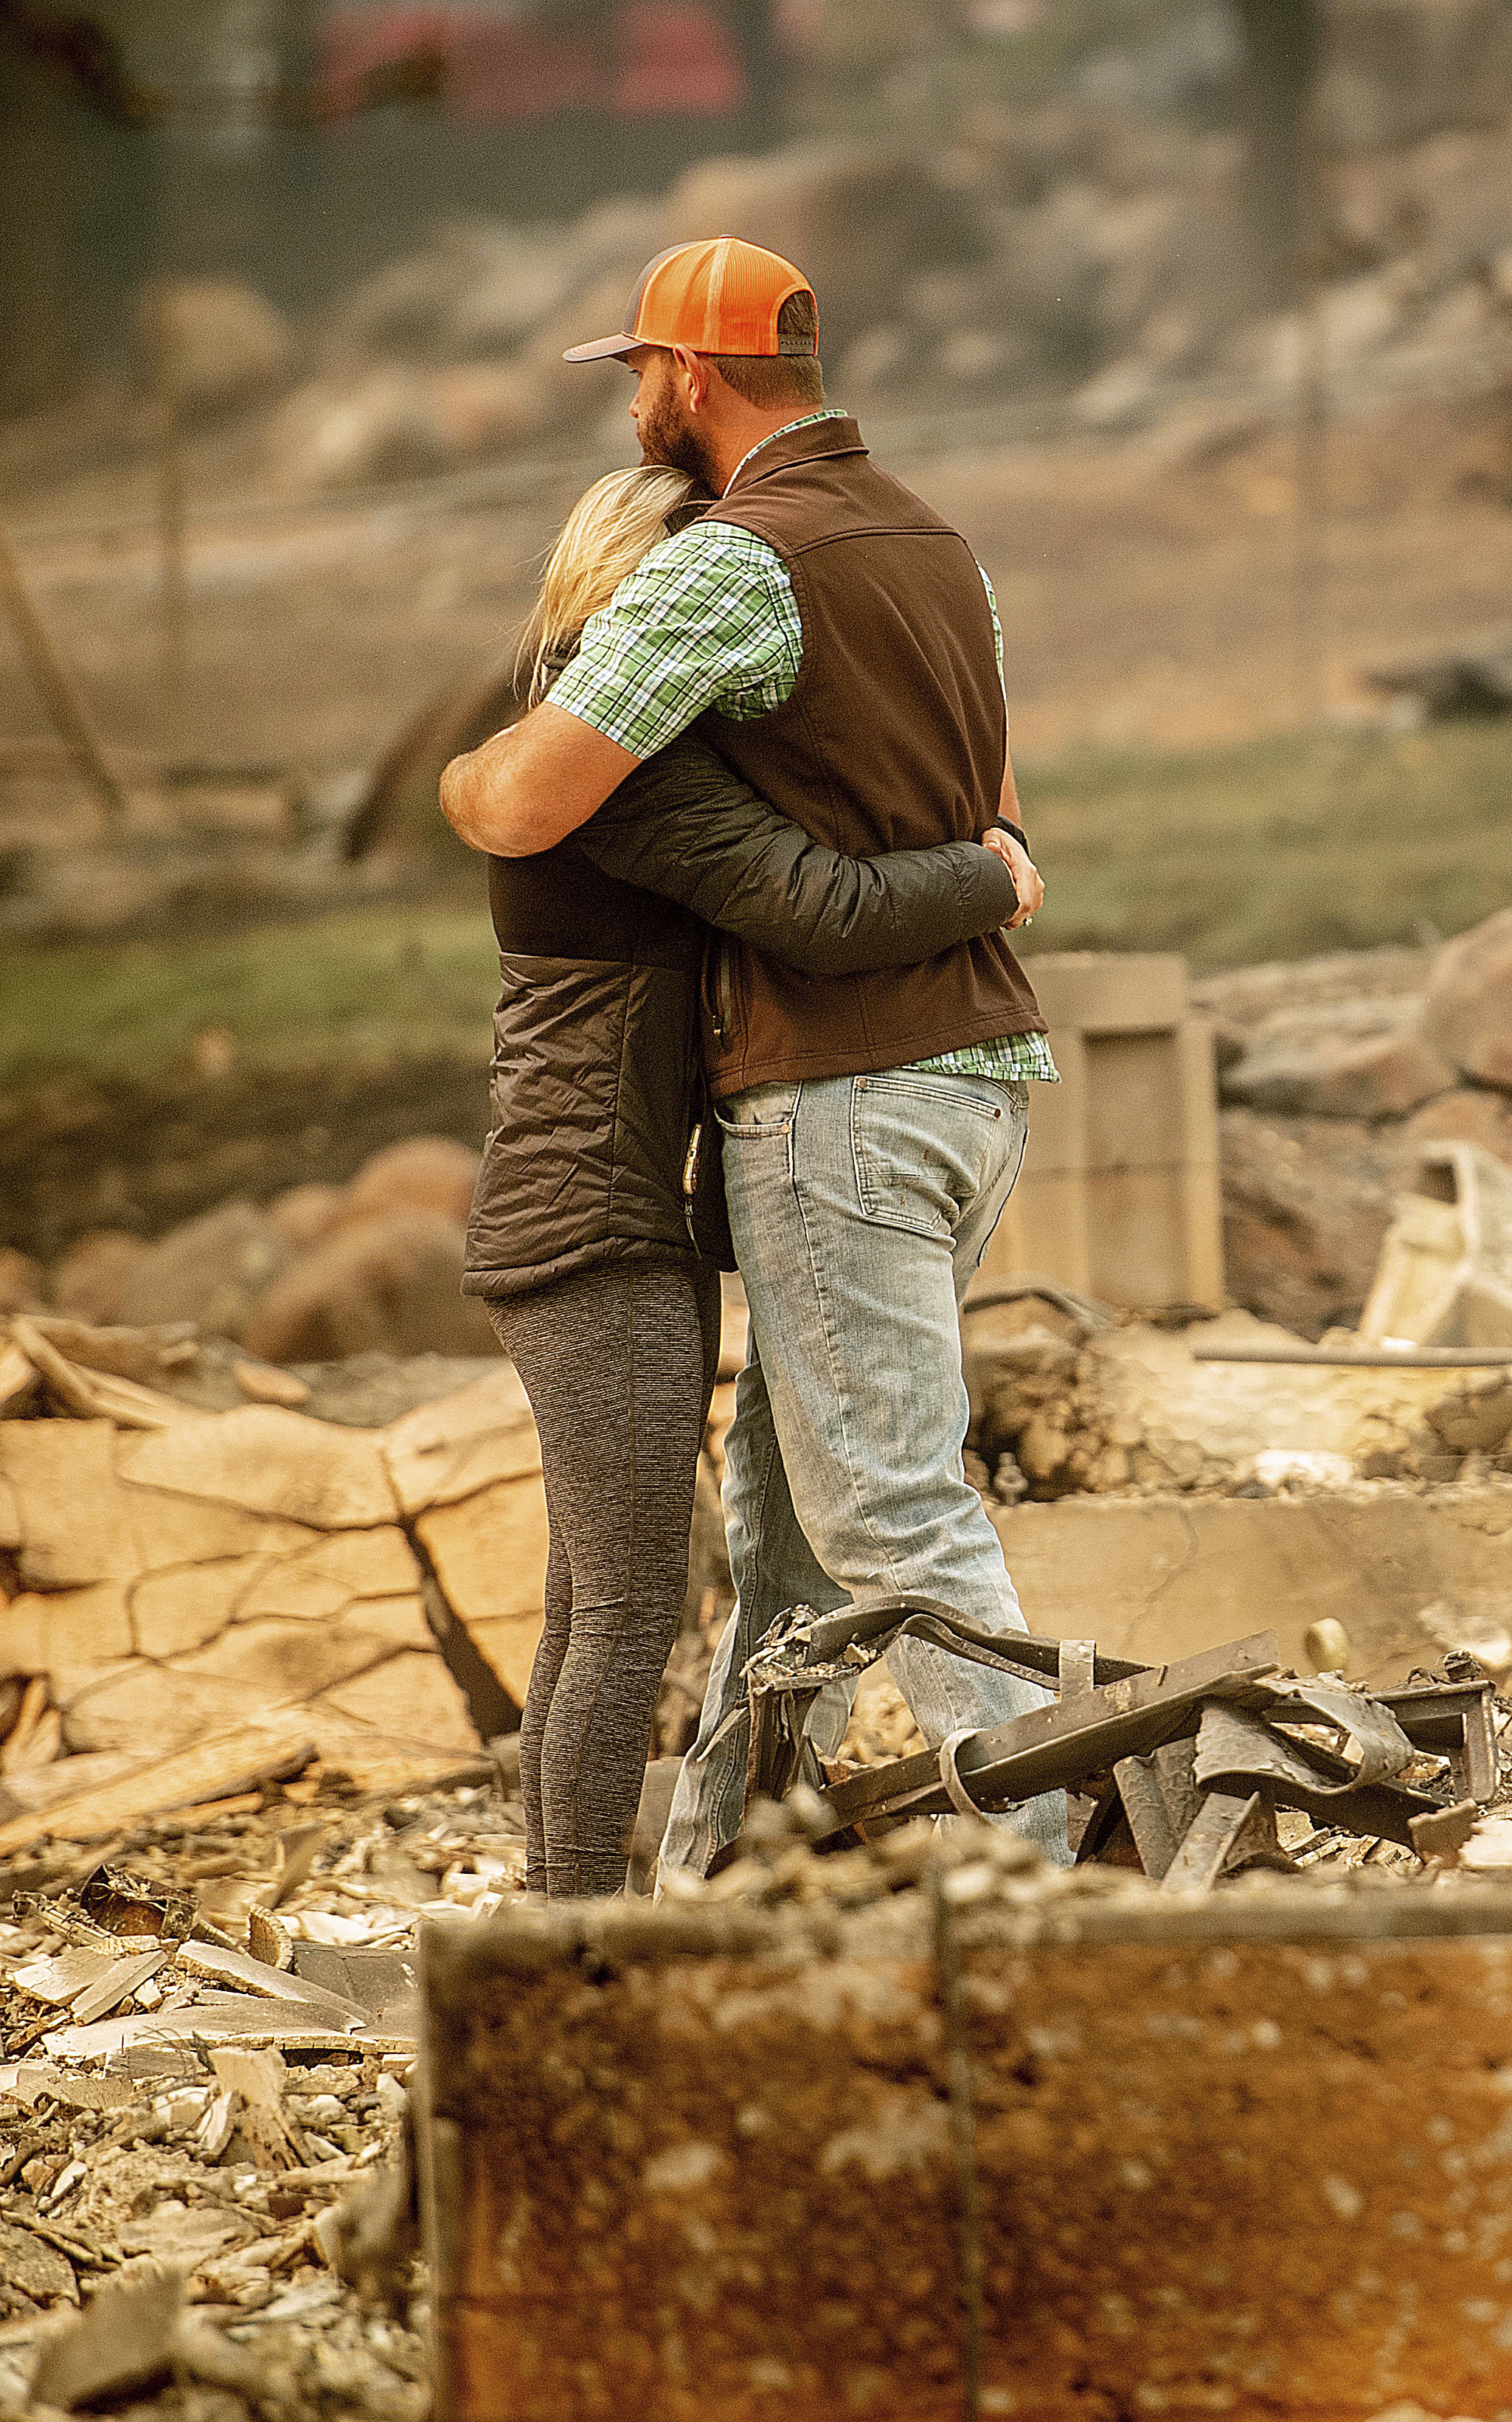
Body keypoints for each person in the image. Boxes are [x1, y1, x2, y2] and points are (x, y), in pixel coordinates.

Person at [440, 238, 1067, 1875]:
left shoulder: (732, 560)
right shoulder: (937, 546)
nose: (636, 396)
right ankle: (707, 1872)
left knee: (887, 1513)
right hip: (981, 1074)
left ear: (690, 379)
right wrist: (998, 868)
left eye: (639, 369)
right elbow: (960, 801)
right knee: (779, 1546)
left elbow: (518, 800)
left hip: (844, 1093)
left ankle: (1068, 1849)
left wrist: (468, 778)